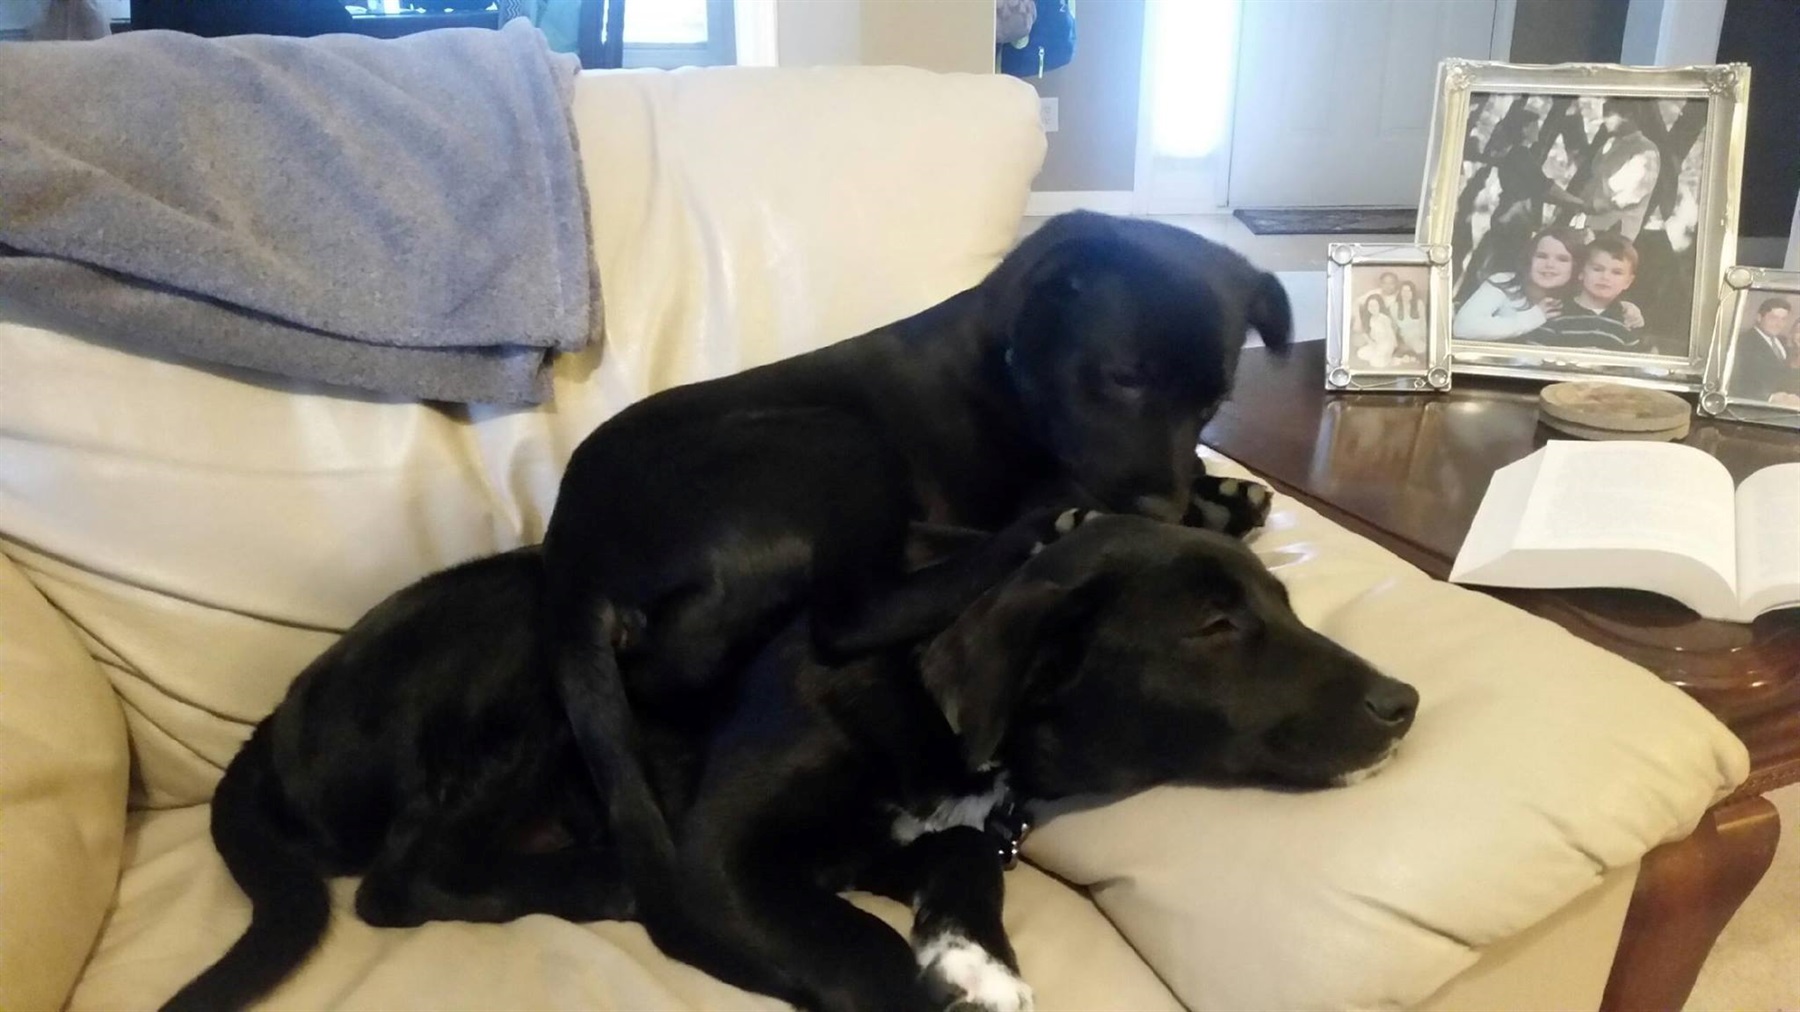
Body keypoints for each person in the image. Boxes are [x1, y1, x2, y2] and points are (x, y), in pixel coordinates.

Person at [1452, 227, 1581, 341]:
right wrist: (1534, 316)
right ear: (1529, 259)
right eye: (1541, 256)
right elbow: (1463, 328)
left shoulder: (1577, 299)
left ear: (1575, 267)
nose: (1549, 265)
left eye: (1562, 259)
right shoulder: (1504, 282)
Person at [1529, 233, 1642, 350]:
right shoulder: (1555, 313)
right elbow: (1533, 355)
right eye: (1597, 269)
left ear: (1628, 282)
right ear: (1581, 273)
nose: (1605, 277)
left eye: (1616, 272)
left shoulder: (1627, 321)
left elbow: (1634, 359)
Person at [1578, 100, 1662, 241]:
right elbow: (1594, 182)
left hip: (1617, 231)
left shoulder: (1645, 150)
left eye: (1609, 114)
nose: (1605, 120)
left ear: (1628, 115)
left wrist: (1596, 205)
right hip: (1590, 227)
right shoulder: (1608, 146)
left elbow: (1632, 195)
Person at [1730, 297, 1799, 402]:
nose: (1779, 324)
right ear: (1759, 317)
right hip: (1760, 406)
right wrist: (1770, 398)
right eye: (1773, 318)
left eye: (1783, 319)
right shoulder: (1743, 342)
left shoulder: (1783, 342)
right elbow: (1735, 381)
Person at [1355, 292, 1400, 367]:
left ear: (1380, 306)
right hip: (1377, 344)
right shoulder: (1371, 319)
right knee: (1360, 353)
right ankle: (1379, 356)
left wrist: (1392, 349)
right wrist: (1372, 343)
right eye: (1370, 306)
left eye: (1375, 305)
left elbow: (1390, 334)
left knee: (1376, 363)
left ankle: (1388, 359)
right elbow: (1366, 333)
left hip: (1386, 345)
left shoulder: (1384, 318)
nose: (1373, 308)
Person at [1394, 280, 1427, 357]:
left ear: (1413, 293)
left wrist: (1424, 338)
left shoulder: (1419, 303)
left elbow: (1423, 323)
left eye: (1409, 291)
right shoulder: (1394, 307)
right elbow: (1394, 327)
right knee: (1419, 348)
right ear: (1400, 292)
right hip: (1406, 337)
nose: (1406, 294)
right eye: (1403, 291)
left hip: (1420, 335)